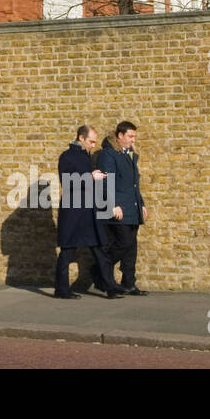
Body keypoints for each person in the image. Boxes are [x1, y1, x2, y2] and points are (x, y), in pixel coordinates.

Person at [54, 126, 123, 299]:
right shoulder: (67, 156)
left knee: (100, 249)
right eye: (91, 141)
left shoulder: (86, 156)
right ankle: (61, 290)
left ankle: (110, 287)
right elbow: (67, 181)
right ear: (81, 138)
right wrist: (90, 176)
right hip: (74, 213)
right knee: (67, 252)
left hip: (89, 212)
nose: (93, 145)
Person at [99, 120, 149, 296]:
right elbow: (106, 182)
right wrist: (112, 205)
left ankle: (128, 283)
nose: (133, 140)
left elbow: (134, 185)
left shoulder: (129, 155)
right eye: (130, 136)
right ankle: (100, 270)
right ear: (120, 136)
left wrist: (141, 204)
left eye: (134, 136)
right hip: (118, 209)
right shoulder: (109, 154)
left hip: (132, 207)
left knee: (131, 248)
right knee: (124, 243)